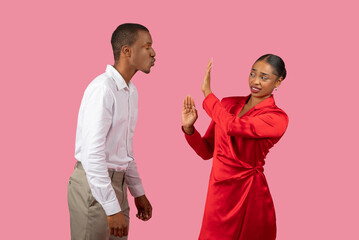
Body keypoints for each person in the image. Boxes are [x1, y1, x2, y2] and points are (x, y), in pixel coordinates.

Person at [182, 54, 289, 240]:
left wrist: (208, 94)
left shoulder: (277, 118)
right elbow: (207, 151)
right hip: (219, 193)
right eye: (252, 74)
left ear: (278, 81)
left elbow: (233, 127)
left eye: (264, 77)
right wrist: (189, 128)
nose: (255, 81)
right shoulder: (227, 104)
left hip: (250, 194)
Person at [68, 23, 156, 240]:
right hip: (94, 186)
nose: (153, 53)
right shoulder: (102, 89)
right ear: (127, 50)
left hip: (118, 185)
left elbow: (124, 148)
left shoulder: (130, 91)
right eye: (147, 46)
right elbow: (92, 155)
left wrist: (138, 192)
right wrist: (111, 207)